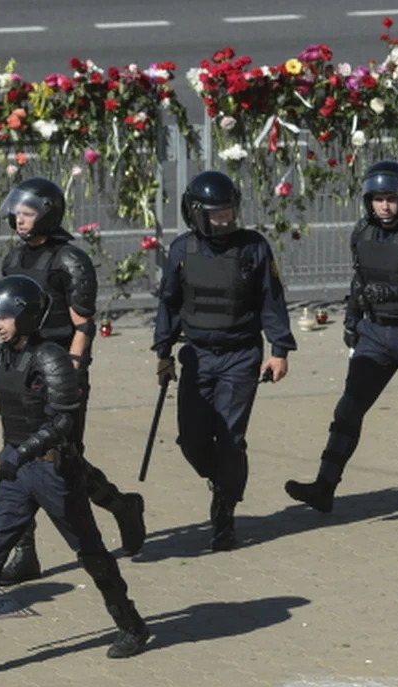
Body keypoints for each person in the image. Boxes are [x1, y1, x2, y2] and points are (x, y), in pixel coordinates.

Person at [0, 275, 149, 676]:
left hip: (52, 470)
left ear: (27, 317)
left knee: (92, 554)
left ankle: (131, 626)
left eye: (5, 316)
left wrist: (26, 452)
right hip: (15, 472)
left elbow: (65, 419)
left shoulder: (50, 358)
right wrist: (12, 457)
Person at [284, 160, 398, 512]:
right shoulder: (362, 232)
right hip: (375, 332)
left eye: (390, 199)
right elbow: (359, 281)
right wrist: (352, 319)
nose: (383, 206)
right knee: (348, 408)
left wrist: (397, 295)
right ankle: (325, 486)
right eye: (376, 199)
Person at [0, 177, 146, 586]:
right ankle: (25, 554)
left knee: (64, 462)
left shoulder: (70, 261)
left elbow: (83, 324)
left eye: (27, 214)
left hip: (59, 372)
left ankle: (121, 507)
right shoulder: (13, 260)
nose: (20, 220)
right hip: (22, 372)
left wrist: (73, 374)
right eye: (17, 213)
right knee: (17, 456)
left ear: (48, 213)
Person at [152, 170, 296, 551]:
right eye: (217, 214)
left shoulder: (253, 248)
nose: (226, 220)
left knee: (230, 438)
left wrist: (279, 350)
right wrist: (163, 353)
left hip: (240, 357)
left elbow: (272, 300)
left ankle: (225, 512)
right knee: (192, 440)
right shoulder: (182, 251)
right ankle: (222, 480)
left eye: (230, 212)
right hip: (196, 358)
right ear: (196, 214)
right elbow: (169, 303)